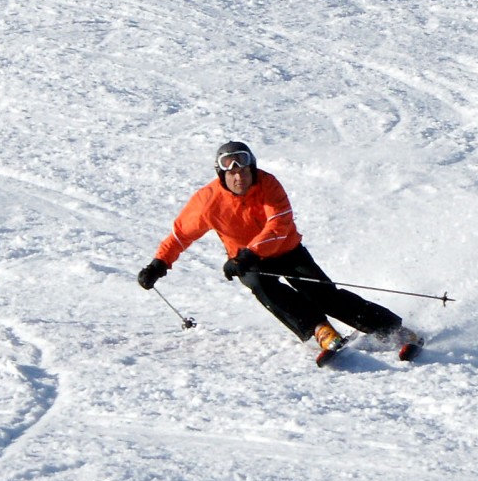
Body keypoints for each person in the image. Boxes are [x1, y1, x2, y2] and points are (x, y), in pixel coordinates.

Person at [138, 141, 417, 355]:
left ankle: (394, 331)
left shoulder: (268, 184)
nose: (239, 178)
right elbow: (179, 235)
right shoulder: (207, 202)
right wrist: (158, 264)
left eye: (244, 171)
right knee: (264, 288)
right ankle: (320, 331)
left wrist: (249, 252)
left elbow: (279, 224)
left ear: (253, 169)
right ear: (221, 175)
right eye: (231, 173)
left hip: (285, 251)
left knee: (324, 295)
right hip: (249, 263)